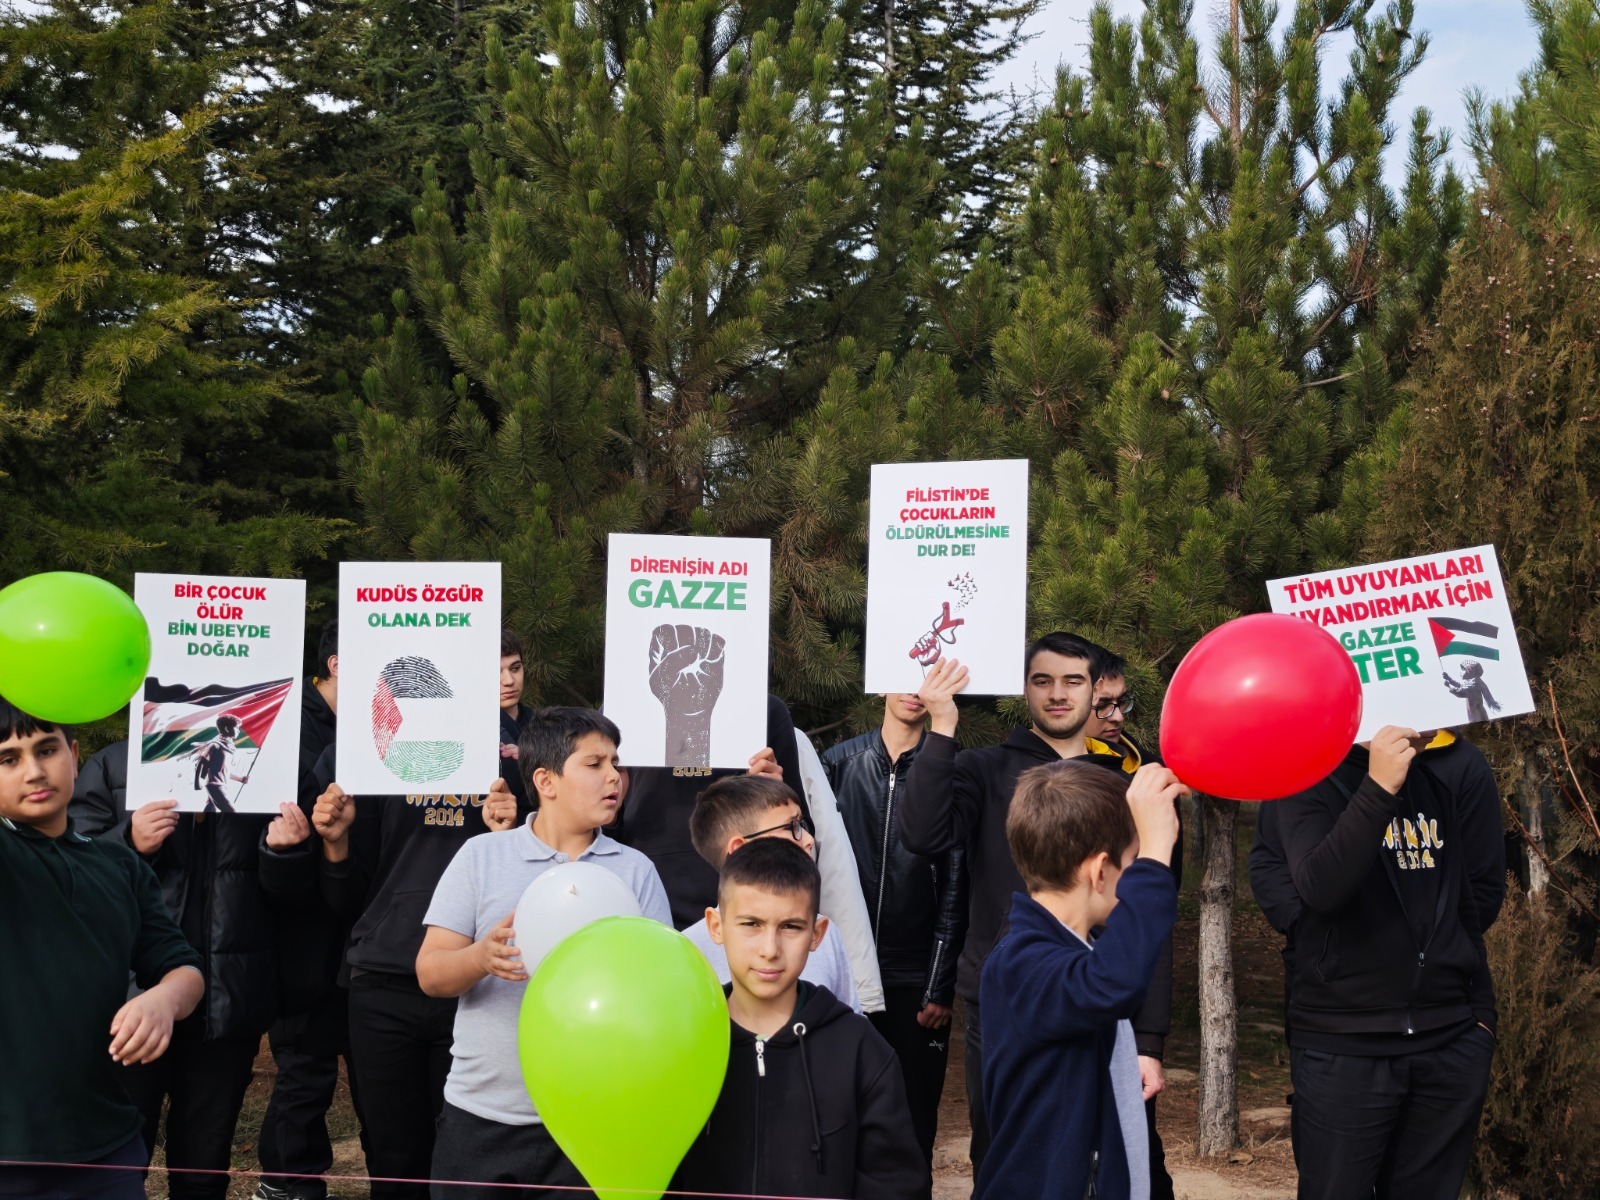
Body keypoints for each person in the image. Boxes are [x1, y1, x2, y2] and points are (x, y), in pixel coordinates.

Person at [897, 632, 1130, 1169]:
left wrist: (1153, 1039)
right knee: (1004, 1156)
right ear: (1022, 689)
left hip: (1103, 995)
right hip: (1001, 1000)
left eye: (1073, 681)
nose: (1057, 693)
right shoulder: (984, 767)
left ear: (1095, 690)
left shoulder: (1121, 785)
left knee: (1095, 1162)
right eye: (1041, 680)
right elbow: (921, 834)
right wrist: (943, 728)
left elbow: (1145, 906)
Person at [417, 707, 671, 1198]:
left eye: (616, 764)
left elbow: (660, 993)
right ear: (546, 780)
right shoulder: (481, 856)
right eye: (594, 764)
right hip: (483, 1118)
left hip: (594, 1120)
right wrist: (480, 958)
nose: (614, 777)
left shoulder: (636, 871)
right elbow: (430, 973)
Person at [300, 688, 527, 1200]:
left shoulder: (502, 764)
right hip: (381, 983)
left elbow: (528, 883)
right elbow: (348, 899)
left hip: (473, 985)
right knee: (393, 1153)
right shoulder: (373, 760)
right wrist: (336, 842)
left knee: (465, 1153)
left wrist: (504, 835)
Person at [1265, 726, 1506, 1200]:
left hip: (1450, 1039)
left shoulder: (1445, 776)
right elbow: (1317, 887)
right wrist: (1379, 789)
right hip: (1344, 1045)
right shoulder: (1306, 773)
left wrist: (1479, 1018)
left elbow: (1474, 897)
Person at [0, 697, 205, 1200]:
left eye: (47, 750)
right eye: (7, 759)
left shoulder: (121, 865)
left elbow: (184, 969)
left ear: (74, 755)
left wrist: (162, 1000)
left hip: (105, 1145)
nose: (33, 771)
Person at [71, 739, 278, 1200]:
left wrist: (287, 853)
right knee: (117, 1162)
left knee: (204, 1167)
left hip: (226, 1005)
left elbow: (293, 896)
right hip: (130, 1005)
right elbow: (71, 868)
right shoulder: (113, 764)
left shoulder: (268, 760)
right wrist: (129, 841)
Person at [672, 838, 929, 1200]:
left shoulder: (860, 1050)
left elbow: (895, 1184)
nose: (770, 950)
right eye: (751, 924)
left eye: (791, 927)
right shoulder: (681, 1045)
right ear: (716, 926)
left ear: (817, 933)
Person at [977, 759, 1185, 1200]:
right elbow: (1111, 983)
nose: (1139, 872)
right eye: (1132, 863)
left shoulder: (1076, 949)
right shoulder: (1019, 962)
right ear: (1100, 870)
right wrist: (1156, 853)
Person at [821, 692, 967, 1180]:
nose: (912, 689)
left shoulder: (949, 768)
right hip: (845, 975)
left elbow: (955, 884)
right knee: (840, 1120)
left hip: (916, 979)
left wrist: (939, 984)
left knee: (913, 1123)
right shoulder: (838, 763)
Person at [256, 620, 363, 1200]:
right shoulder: (286, 725)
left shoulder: (375, 723)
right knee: (306, 1064)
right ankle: (284, 1181)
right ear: (340, 664)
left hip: (360, 912)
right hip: (303, 926)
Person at [1084, 642, 1183, 1199]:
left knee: (1138, 1165)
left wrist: (1149, 1040)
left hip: (1128, 1008)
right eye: (1105, 705)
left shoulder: (1147, 778)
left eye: (1124, 704)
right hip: (1067, 993)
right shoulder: (1041, 777)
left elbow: (1156, 915)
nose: (1118, 717)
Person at [610, 693, 805, 928]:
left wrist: (773, 795)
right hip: (639, 904)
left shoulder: (765, 710)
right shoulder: (619, 705)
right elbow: (588, 832)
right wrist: (609, 809)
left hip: (744, 907)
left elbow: (803, 833)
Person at [681, 774, 861, 1010]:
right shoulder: (687, 952)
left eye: (792, 927)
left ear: (815, 935)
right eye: (793, 827)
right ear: (739, 849)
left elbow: (851, 1024)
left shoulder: (826, 936)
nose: (808, 840)